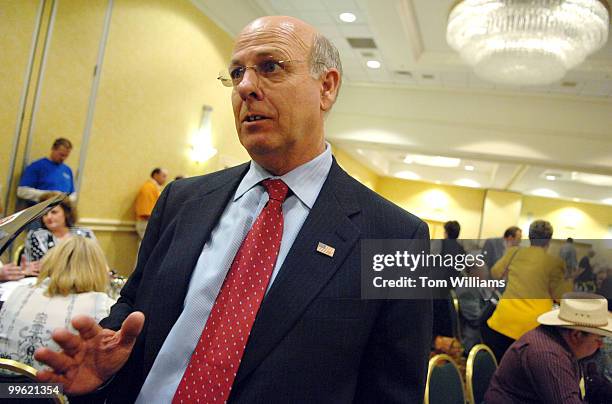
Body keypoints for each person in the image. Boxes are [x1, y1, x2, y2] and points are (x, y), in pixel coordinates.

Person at [35, 16, 432, 403]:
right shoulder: (179, 200)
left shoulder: (399, 238)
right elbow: (135, 304)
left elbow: (392, 392)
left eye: (270, 67)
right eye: (237, 73)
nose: (246, 87)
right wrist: (108, 363)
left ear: (326, 87)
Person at [0, 236, 115, 373]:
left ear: (51, 261)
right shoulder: (104, 306)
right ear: (99, 269)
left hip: (5, 387)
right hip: (55, 392)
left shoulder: (18, 292)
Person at [484, 292, 612, 404]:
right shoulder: (548, 355)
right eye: (599, 339)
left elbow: (595, 384)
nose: (601, 345)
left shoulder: (566, 343)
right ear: (576, 335)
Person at [483, 220, 573, 362]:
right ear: (549, 240)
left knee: (496, 364)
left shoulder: (514, 252)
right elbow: (560, 297)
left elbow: (495, 272)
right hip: (531, 328)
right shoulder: (554, 263)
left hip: (503, 319)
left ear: (530, 237)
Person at [25, 194, 94, 263]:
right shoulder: (36, 236)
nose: (49, 217)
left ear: (66, 213)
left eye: (54, 212)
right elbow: (34, 265)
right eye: (45, 214)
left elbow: (95, 262)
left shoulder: (85, 234)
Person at [17, 138, 76, 204]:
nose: (63, 158)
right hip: (41, 210)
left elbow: (73, 194)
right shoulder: (37, 166)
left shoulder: (67, 170)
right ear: (53, 149)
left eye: (66, 156)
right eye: (61, 155)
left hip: (61, 211)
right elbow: (21, 191)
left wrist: (66, 199)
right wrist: (49, 195)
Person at [134, 168, 167, 241]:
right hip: (146, 222)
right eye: (163, 176)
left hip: (148, 222)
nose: (165, 179)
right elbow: (145, 211)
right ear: (155, 175)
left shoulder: (153, 187)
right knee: (147, 249)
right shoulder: (148, 188)